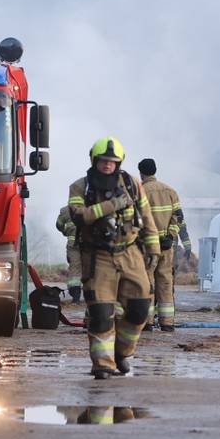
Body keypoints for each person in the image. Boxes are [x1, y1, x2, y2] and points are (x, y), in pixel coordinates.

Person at [67, 137, 161, 379]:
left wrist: (153, 249)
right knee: (101, 313)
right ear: (94, 160)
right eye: (103, 161)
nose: (108, 165)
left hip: (130, 253)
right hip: (98, 257)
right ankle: (103, 365)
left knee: (140, 308)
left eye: (112, 161)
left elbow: (147, 217)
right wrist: (112, 205)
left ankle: (123, 353)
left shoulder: (132, 184)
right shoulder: (80, 187)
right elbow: (80, 216)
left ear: (119, 163)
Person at [138, 158, 191, 331]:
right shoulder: (171, 191)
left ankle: (147, 322)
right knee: (166, 283)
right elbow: (178, 217)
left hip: (148, 246)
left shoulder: (141, 191)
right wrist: (171, 235)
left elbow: (137, 220)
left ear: (141, 173)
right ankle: (167, 323)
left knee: (147, 283)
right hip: (167, 246)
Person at [55, 206, 83, 302]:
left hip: (73, 246)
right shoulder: (91, 207)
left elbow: (59, 224)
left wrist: (65, 231)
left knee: (75, 269)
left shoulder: (65, 210)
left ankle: (76, 297)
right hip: (90, 245)